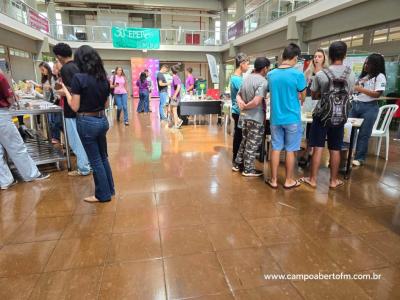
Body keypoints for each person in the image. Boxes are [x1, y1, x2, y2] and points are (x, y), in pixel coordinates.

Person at [62, 45, 115, 203]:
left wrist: (65, 91)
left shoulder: (79, 78)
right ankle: (110, 190)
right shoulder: (103, 78)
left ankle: (103, 195)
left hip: (86, 121)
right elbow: (106, 105)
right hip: (102, 120)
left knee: (95, 160)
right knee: (103, 157)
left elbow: (75, 106)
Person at [301, 41, 355, 189]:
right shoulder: (351, 74)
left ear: (329, 56)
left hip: (322, 115)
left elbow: (314, 95)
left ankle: (312, 179)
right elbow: (349, 93)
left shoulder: (321, 74)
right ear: (344, 55)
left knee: (318, 147)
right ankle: (333, 181)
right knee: (335, 148)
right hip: (340, 116)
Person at [263, 43, 307, 189]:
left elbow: (268, 93)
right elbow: (303, 96)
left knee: (275, 148)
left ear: (283, 57)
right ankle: (288, 180)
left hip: (276, 118)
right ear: (295, 58)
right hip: (292, 118)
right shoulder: (298, 75)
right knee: (290, 149)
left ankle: (274, 180)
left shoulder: (271, 74)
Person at [0, 69, 49, 190]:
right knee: (16, 146)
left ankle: (5, 181)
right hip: (1, 115)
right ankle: (31, 174)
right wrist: (12, 102)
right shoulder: (0, 77)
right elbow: (10, 97)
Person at [53, 42, 91, 177]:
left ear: (59, 56)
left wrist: (61, 91)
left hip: (72, 109)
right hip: (84, 110)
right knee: (84, 139)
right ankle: (88, 164)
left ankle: (84, 167)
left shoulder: (66, 69)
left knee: (75, 140)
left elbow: (73, 90)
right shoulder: (79, 66)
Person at [235, 57, 270, 177]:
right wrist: (246, 106)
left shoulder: (246, 78)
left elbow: (238, 95)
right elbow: (256, 102)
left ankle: (237, 163)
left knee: (244, 141)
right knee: (252, 143)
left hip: (244, 117)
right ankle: (248, 169)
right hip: (256, 116)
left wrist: (242, 105)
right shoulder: (263, 82)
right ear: (265, 68)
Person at [350, 53, 386, 166]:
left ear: (375, 64)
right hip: (355, 105)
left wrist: (360, 88)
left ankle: (359, 158)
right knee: (349, 131)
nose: (365, 65)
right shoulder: (364, 76)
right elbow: (355, 89)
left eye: (368, 63)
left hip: (369, 108)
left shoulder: (380, 76)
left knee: (364, 134)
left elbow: (377, 94)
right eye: (365, 63)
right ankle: (347, 153)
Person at [299, 49, 328, 166]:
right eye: (315, 56)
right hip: (308, 100)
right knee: (307, 124)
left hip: (320, 101)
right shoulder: (308, 71)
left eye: (319, 56)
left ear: (324, 58)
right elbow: (303, 86)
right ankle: (308, 148)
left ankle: (310, 151)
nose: (316, 59)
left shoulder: (326, 72)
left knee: (316, 125)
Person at [230, 53, 249, 171]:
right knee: (239, 136)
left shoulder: (238, 78)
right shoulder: (237, 79)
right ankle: (237, 159)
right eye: (247, 63)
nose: (248, 66)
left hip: (238, 111)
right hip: (239, 111)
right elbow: (246, 94)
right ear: (241, 64)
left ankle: (237, 159)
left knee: (239, 135)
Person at [170, 65, 184, 129]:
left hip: (175, 97)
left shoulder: (175, 77)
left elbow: (178, 87)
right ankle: (178, 121)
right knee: (171, 110)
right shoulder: (176, 77)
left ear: (172, 71)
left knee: (174, 111)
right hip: (174, 96)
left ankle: (176, 124)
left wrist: (175, 95)